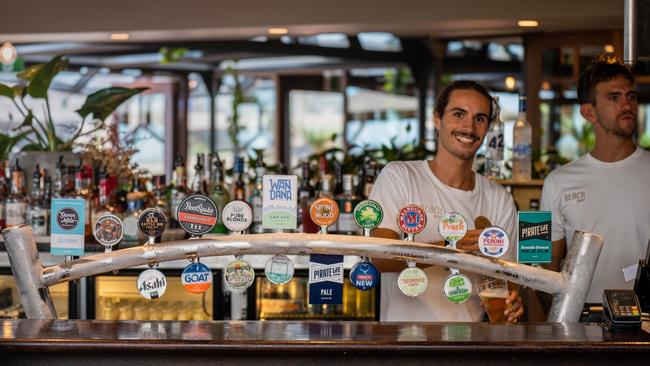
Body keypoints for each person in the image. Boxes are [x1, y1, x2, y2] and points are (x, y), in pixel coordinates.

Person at [369, 80, 523, 322]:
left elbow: (506, 281)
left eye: (480, 119)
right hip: (403, 347)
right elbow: (381, 259)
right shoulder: (399, 176)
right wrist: (451, 247)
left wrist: (512, 302)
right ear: (437, 119)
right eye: (459, 114)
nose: (469, 127)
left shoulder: (499, 199)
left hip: (468, 349)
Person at [541, 55, 650, 304]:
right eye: (614, 97)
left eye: (631, 96)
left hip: (646, 321)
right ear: (588, 112)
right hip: (579, 323)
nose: (627, 105)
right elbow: (542, 270)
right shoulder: (557, 181)